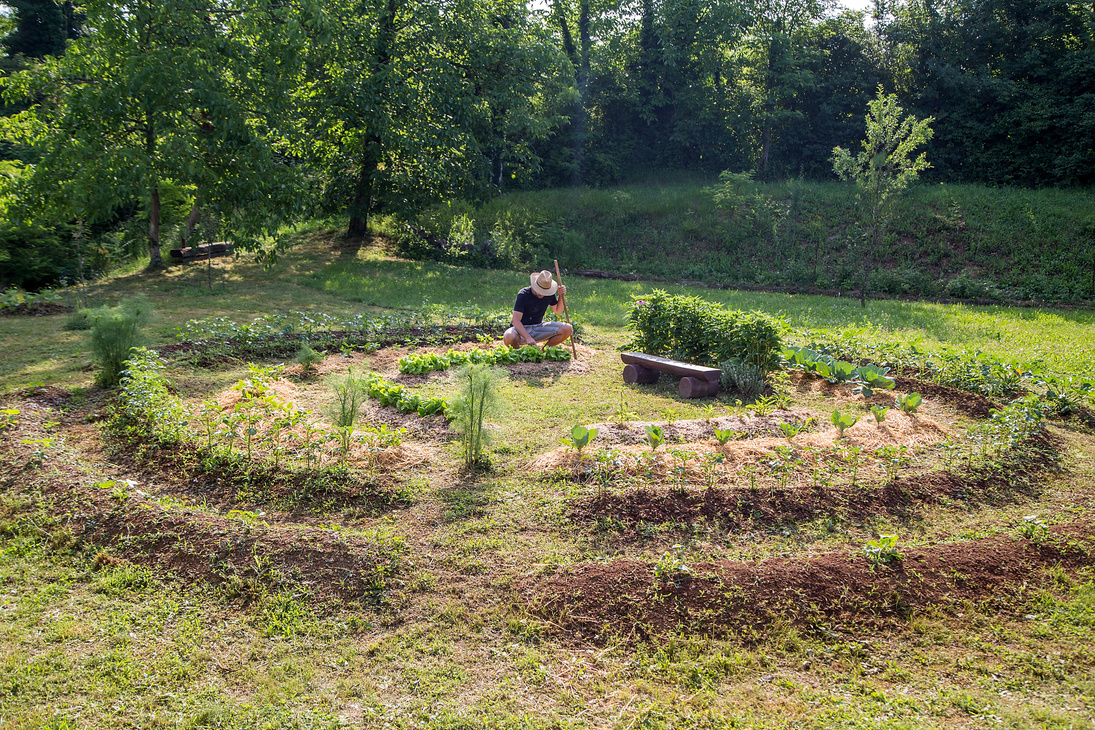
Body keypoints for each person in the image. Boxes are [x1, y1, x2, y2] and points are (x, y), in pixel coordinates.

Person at [502, 270, 574, 348]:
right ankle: (518, 354)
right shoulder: (523, 294)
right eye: (540, 291)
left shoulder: (549, 294)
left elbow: (558, 311)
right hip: (521, 330)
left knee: (568, 329)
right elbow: (515, 321)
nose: (542, 294)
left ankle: (544, 351)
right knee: (509, 336)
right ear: (535, 285)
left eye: (545, 291)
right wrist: (528, 337)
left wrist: (561, 295)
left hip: (538, 327)